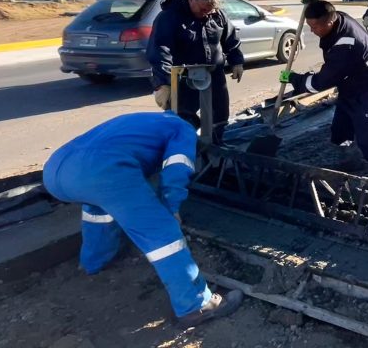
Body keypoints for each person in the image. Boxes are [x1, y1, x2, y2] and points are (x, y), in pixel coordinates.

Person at [42, 112, 243, 327]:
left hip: (56, 171)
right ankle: (195, 306)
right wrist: (171, 208)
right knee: (163, 235)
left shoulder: (144, 120)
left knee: (98, 211)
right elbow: (178, 166)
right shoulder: (182, 128)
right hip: (102, 171)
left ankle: (94, 262)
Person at [280, 0, 368, 181]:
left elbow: (320, 83)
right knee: (340, 131)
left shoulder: (345, 45)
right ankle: (350, 162)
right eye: (310, 26)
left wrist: (295, 79)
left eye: (315, 27)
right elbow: (327, 9)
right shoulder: (337, 17)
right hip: (350, 84)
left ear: (330, 21)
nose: (312, 31)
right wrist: (313, 2)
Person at [147, 0, 244, 144]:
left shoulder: (216, 15)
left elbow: (230, 39)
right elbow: (160, 51)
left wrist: (237, 61)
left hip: (214, 76)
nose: (206, 14)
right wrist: (162, 84)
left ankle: (215, 150)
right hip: (183, 79)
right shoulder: (169, 17)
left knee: (219, 116)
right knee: (184, 120)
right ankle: (186, 154)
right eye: (203, 9)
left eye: (210, 11)